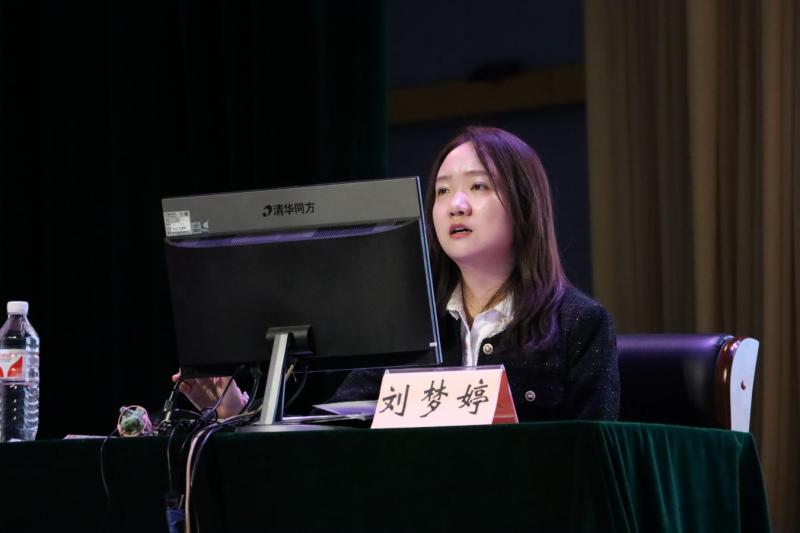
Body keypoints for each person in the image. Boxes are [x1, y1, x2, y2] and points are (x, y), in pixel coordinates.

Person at [174, 126, 620, 422]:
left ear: (525, 205)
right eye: (442, 191)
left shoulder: (579, 325)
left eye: (478, 186)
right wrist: (234, 410)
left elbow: (595, 463)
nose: (456, 205)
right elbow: (332, 437)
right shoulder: (405, 324)